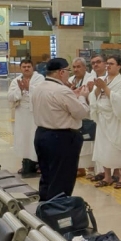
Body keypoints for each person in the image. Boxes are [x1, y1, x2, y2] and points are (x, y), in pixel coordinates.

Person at [31, 58, 91, 200]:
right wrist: (82, 97)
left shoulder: (38, 88)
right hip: (61, 139)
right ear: (61, 72)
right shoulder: (62, 90)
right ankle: (58, 209)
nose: (69, 74)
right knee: (62, 180)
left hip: (42, 135)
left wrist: (72, 95)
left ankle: (45, 206)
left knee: (47, 177)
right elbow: (81, 113)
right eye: (68, 70)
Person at [89, 55, 121, 189]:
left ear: (119, 66)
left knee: (119, 147)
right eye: (107, 63)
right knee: (103, 147)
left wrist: (105, 87)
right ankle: (107, 176)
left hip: (116, 118)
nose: (108, 66)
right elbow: (93, 97)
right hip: (102, 118)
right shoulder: (102, 79)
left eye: (111, 64)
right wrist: (98, 88)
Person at [7, 58, 44, 176]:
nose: (26, 69)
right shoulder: (16, 81)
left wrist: (29, 88)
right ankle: (26, 163)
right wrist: (21, 90)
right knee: (24, 138)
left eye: (29, 66)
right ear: (20, 68)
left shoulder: (39, 78)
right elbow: (10, 96)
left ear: (33, 68)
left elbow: (42, 93)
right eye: (24, 67)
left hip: (35, 114)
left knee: (35, 137)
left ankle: (40, 164)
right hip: (22, 114)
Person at [69, 58, 96, 179]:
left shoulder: (91, 79)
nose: (76, 69)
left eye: (78, 67)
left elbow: (93, 97)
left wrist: (87, 92)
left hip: (87, 115)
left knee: (88, 143)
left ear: (85, 67)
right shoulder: (70, 80)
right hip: (75, 115)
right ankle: (79, 168)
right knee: (76, 143)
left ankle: (91, 169)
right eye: (74, 67)